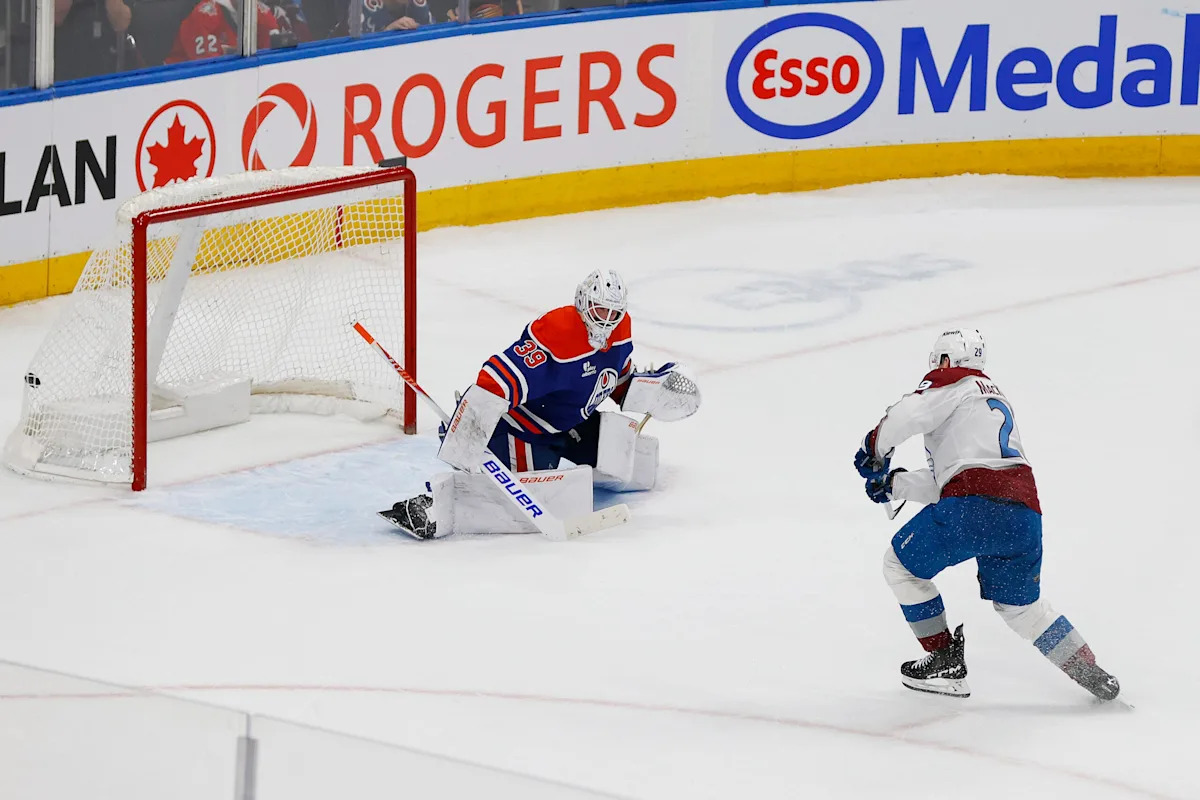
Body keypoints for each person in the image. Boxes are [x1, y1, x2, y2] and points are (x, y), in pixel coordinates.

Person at [854, 329, 1120, 701]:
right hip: (1023, 515)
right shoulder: (989, 397)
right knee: (1022, 609)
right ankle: (1091, 672)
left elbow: (907, 415)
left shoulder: (952, 381)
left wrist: (874, 447)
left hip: (973, 508)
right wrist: (896, 485)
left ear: (945, 360)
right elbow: (958, 475)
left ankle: (944, 659)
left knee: (899, 566)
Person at [383, 268, 701, 540]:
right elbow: (495, 379)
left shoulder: (620, 331)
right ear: (583, 302)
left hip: (569, 421)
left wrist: (649, 391)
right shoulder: (559, 333)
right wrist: (469, 429)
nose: (606, 320)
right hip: (521, 430)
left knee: (630, 462)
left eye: (612, 313)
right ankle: (436, 508)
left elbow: (615, 380)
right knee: (555, 498)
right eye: (599, 310)